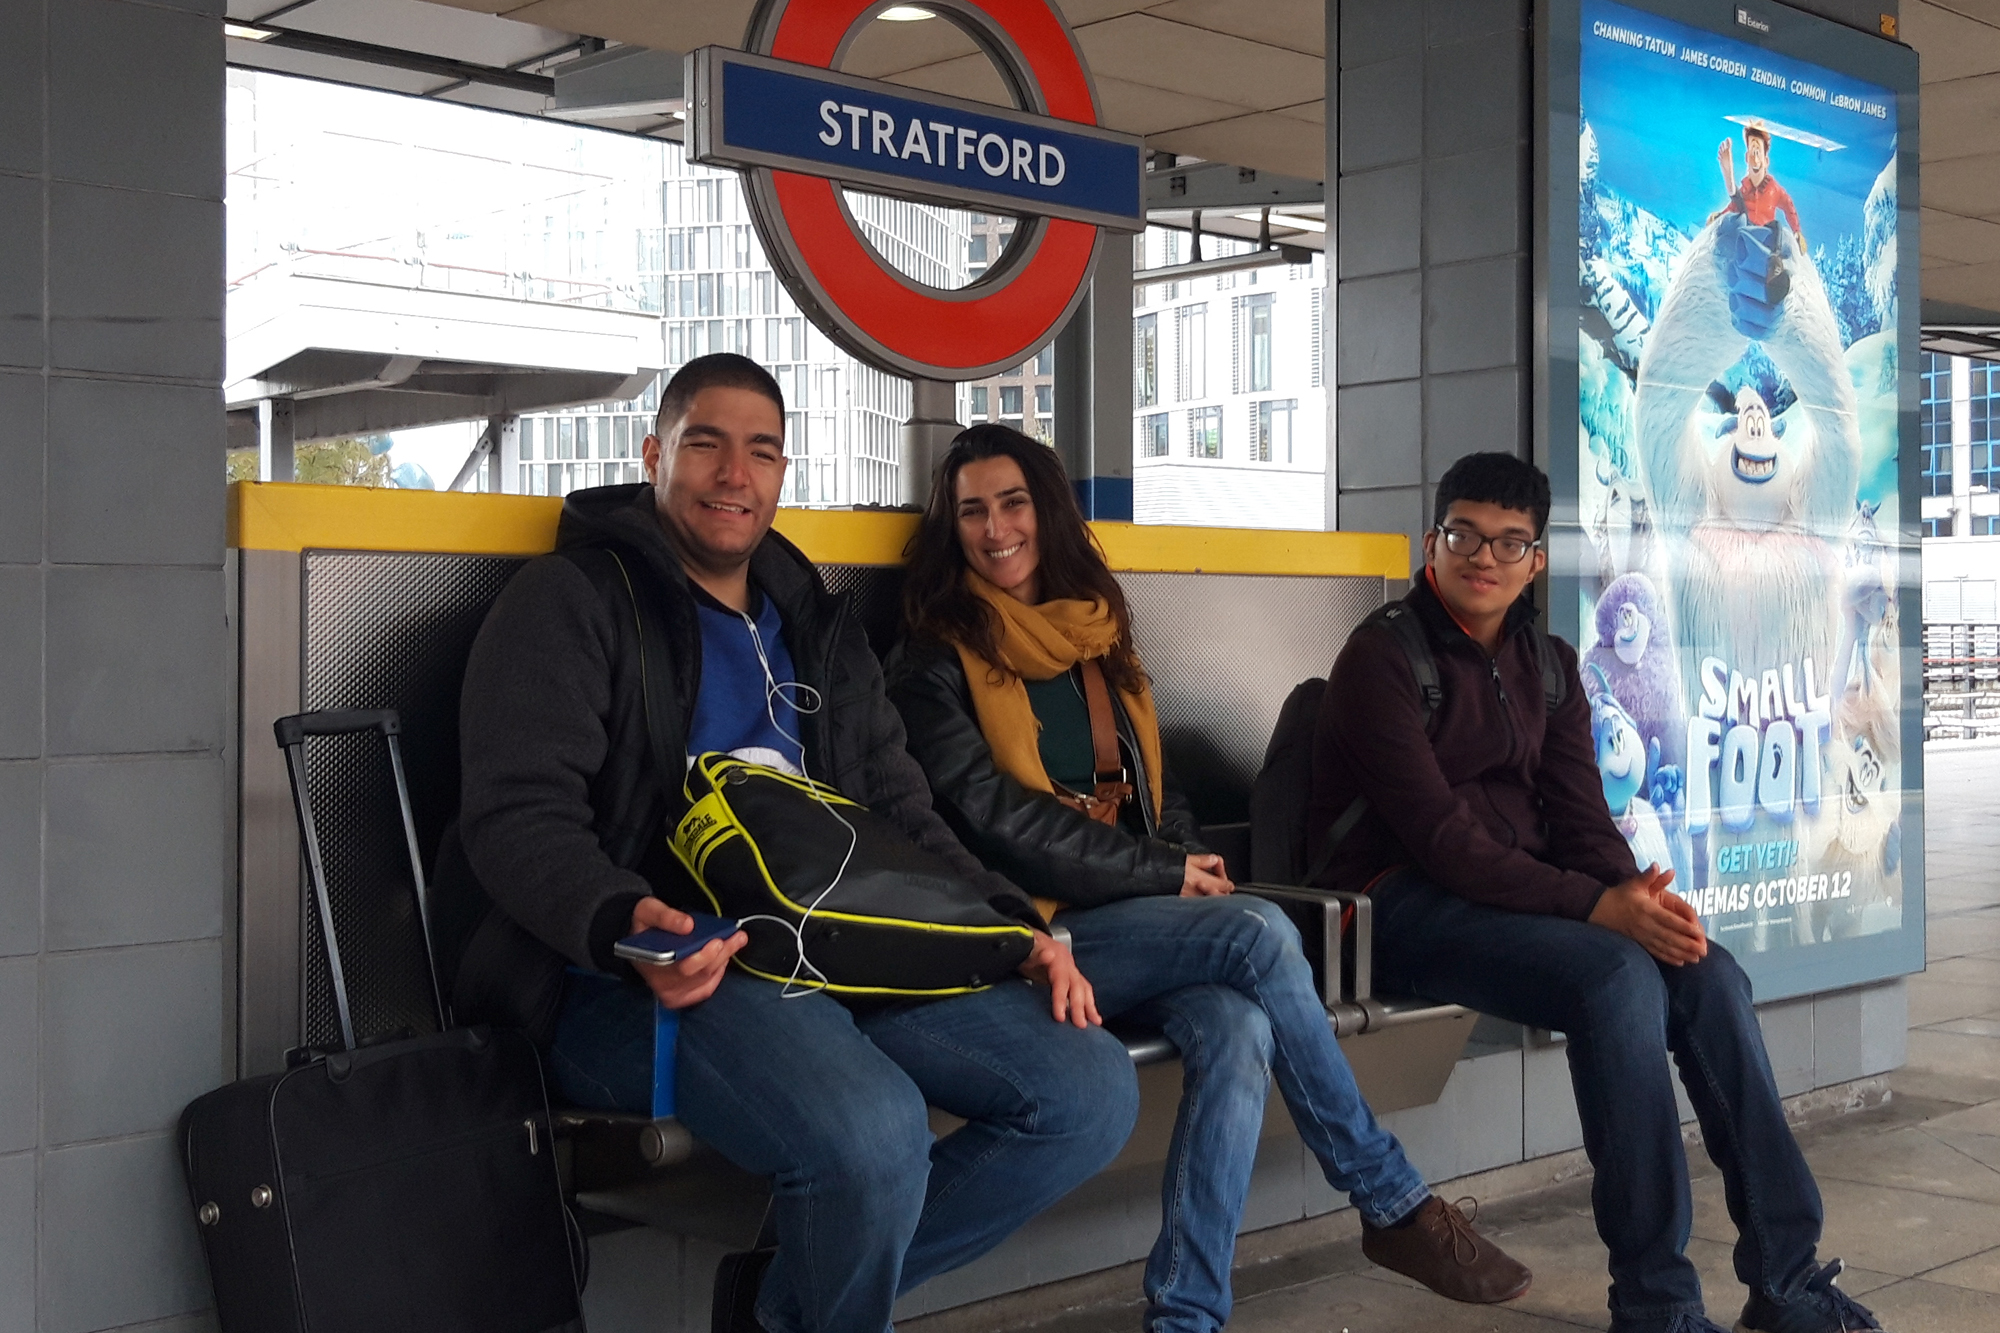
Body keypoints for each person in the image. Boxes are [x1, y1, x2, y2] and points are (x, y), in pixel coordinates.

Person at [433, 355, 1141, 1333]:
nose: (735, 473)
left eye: (760, 451)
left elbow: (900, 806)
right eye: (706, 444)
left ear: (780, 474)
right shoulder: (575, 601)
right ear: (653, 456)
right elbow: (514, 813)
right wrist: (624, 923)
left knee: (1088, 1087)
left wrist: (1011, 924)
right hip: (643, 981)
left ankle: (781, 1313)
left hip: (839, 953)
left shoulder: (810, 624)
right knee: (873, 1131)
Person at [883, 424, 1532, 1333]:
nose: (996, 529)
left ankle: (1187, 1318)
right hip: (1033, 934)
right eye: (973, 511)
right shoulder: (934, 662)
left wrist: (1188, 860)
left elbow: (1156, 789)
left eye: (1015, 503)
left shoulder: (1095, 637)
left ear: (1050, 512)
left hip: (1131, 924)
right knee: (1257, 933)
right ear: (950, 529)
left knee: (1233, 1022)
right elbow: (998, 825)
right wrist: (1164, 871)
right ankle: (1389, 1198)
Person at [1307, 452, 1880, 1333]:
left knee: (1710, 974)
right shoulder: (1380, 660)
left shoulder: (1551, 665)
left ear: (1537, 559)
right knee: (1615, 979)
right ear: (1433, 543)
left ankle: (1788, 1279)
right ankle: (1656, 1305)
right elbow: (1444, 842)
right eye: (1464, 534)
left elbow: (1580, 817)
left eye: (1509, 541)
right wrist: (1594, 908)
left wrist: (1633, 893)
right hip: (1400, 905)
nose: (1483, 557)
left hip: (1523, 900)